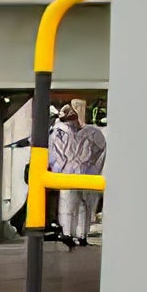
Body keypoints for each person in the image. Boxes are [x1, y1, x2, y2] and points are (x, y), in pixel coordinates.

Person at [49, 98, 107, 248]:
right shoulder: (62, 132)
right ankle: (75, 234)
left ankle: (75, 234)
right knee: (76, 206)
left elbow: (54, 154)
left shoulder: (88, 132)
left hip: (75, 173)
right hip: (78, 173)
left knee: (76, 206)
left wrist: (59, 168)